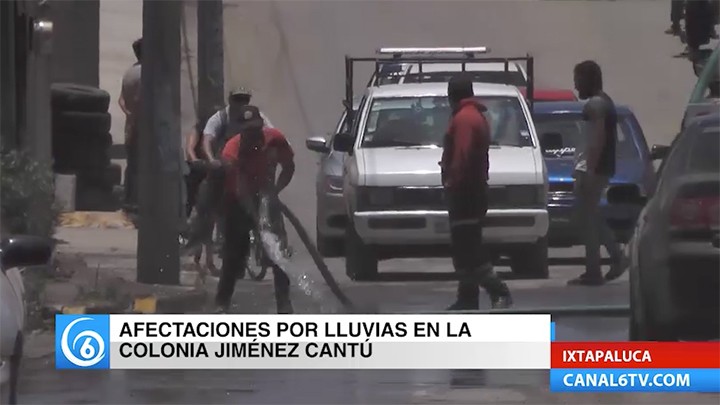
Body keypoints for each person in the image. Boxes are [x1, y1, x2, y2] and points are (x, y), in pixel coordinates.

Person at [440, 75, 512, 310]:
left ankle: (498, 290)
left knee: (468, 249)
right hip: (472, 191)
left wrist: (452, 181)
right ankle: (467, 297)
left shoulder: (464, 119)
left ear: (452, 96)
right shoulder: (473, 116)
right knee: (464, 247)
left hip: (466, 193)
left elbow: (462, 154)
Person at [216, 105, 295, 314]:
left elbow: (289, 166)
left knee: (278, 252)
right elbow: (240, 189)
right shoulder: (232, 151)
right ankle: (221, 303)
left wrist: (275, 191)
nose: (253, 135)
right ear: (242, 131)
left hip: (267, 198)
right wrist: (255, 218)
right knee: (234, 256)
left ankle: (284, 304)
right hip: (238, 203)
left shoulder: (274, 139)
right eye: (248, 131)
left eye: (256, 129)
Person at [568, 61, 624, 286]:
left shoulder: (597, 105)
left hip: (592, 169)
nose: (575, 84)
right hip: (593, 168)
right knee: (592, 217)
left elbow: (597, 139)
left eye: (578, 79)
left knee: (588, 221)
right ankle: (618, 258)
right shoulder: (602, 102)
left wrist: (590, 169)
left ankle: (594, 270)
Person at [119, 38, 142, 213]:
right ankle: (137, 203)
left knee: (132, 165)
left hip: (131, 125)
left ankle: (128, 200)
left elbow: (121, 101)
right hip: (142, 126)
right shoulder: (145, 74)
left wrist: (129, 115)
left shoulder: (130, 73)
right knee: (142, 166)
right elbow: (141, 100)